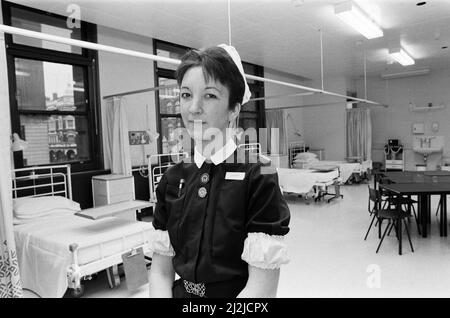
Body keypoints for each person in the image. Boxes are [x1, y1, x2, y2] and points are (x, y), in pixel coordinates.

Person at [148, 44, 290, 298]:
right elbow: (160, 272)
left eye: (210, 95)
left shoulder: (259, 175)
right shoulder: (172, 178)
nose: (193, 108)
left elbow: (261, 288)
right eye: (186, 95)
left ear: (234, 109)